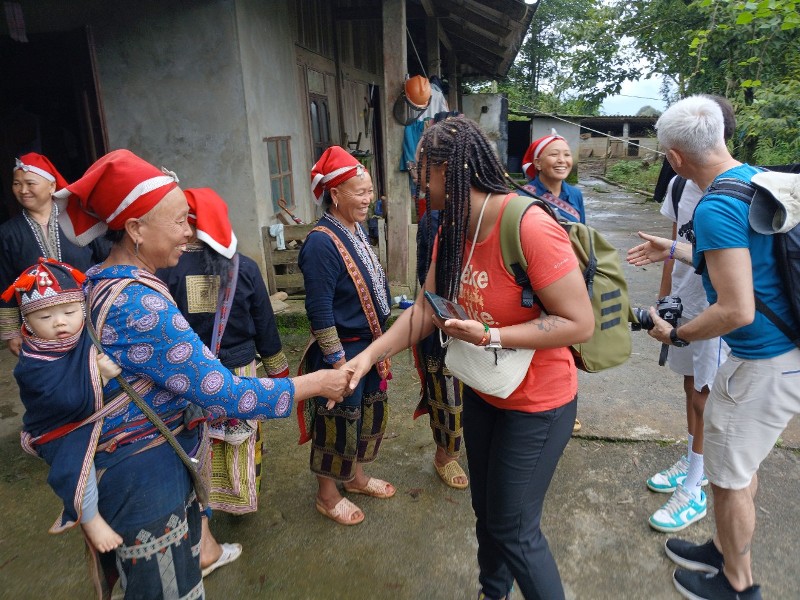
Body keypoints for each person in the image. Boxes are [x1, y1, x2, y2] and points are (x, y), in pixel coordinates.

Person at [52, 149, 351, 599]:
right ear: (134, 229)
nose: (189, 233)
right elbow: (223, 392)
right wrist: (316, 383)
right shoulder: (142, 305)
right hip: (144, 475)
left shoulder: (99, 279)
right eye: (178, 222)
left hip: (117, 464)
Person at [345, 116, 594, 599]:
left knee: (516, 530)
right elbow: (424, 310)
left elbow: (577, 323)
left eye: (424, 171)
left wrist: (491, 335)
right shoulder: (453, 227)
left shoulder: (528, 224)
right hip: (485, 393)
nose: (419, 181)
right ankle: (492, 592)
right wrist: (368, 358)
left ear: (447, 169)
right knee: (488, 514)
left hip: (539, 404)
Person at [627, 95, 798, 600]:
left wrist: (676, 333)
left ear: (675, 157)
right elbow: (744, 260)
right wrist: (675, 247)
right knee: (738, 469)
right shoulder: (752, 180)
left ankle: (738, 583)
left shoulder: (714, 205)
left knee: (727, 479)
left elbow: (736, 310)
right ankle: (724, 549)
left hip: (765, 364)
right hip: (777, 354)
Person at [157, 187, 289, 573]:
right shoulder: (244, 268)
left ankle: (203, 511)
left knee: (197, 443)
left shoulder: (165, 270)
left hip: (188, 377)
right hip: (239, 374)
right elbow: (265, 327)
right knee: (240, 441)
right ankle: (237, 498)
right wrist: (279, 376)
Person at [645, 95, 735, 534]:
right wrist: (666, 299)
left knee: (706, 398)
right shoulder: (682, 186)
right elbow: (674, 243)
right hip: (686, 303)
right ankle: (692, 460)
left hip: (718, 315)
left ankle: (695, 488)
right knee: (690, 389)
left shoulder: (738, 194)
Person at [297, 146, 395, 527]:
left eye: (370, 191)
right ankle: (327, 494)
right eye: (359, 192)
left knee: (363, 416)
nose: (368, 199)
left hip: (368, 347)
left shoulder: (353, 229)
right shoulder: (321, 242)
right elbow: (320, 313)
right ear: (335, 194)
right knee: (336, 420)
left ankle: (352, 478)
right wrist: (338, 364)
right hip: (344, 351)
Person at [5, 258, 123, 553]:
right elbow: (62, 400)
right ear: (27, 324)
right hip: (57, 426)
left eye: (69, 311)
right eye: (44, 318)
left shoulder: (86, 334)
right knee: (73, 467)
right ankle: (91, 518)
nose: (60, 322)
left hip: (93, 413)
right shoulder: (33, 361)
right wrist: (99, 376)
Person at [0, 153, 109, 356]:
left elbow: (108, 260)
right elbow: (5, 281)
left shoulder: (81, 220)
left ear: (51, 186)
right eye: (17, 184)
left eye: (30, 183)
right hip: (40, 327)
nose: (23, 190)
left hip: (90, 317)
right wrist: (12, 332)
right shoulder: (7, 233)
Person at [520, 131, 586, 434]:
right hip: (536, 280)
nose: (562, 160)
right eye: (554, 154)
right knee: (541, 343)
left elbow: (584, 238)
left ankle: (567, 404)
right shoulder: (522, 196)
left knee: (570, 345)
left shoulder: (576, 196)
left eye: (566, 154)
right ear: (537, 162)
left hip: (569, 277)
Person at [413, 207, 468, 489]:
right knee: (448, 392)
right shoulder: (436, 219)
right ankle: (445, 456)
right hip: (444, 318)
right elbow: (429, 284)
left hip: (484, 320)